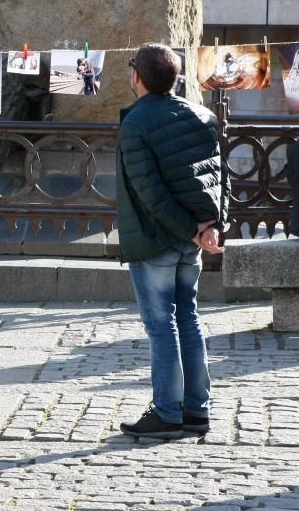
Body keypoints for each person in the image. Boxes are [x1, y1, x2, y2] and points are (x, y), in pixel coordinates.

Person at [116, 44, 227, 440]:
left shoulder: (135, 123)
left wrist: (191, 230)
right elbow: (219, 178)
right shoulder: (202, 115)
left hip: (155, 238)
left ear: (138, 78)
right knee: (188, 320)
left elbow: (150, 193)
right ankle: (197, 410)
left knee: (161, 326)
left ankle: (167, 411)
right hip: (191, 238)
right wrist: (210, 227)